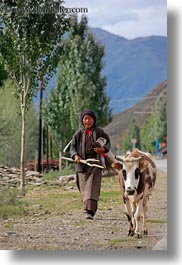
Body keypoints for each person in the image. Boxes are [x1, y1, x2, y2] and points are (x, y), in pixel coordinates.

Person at [69, 109, 111, 220]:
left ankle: (90, 211)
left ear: (94, 120)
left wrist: (102, 149)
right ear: (82, 120)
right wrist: (75, 156)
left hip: (95, 165)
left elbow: (108, 143)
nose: (87, 121)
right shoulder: (79, 133)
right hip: (82, 165)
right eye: (85, 119)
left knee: (92, 187)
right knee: (83, 188)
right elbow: (72, 147)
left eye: (89, 118)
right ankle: (87, 208)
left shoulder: (99, 132)